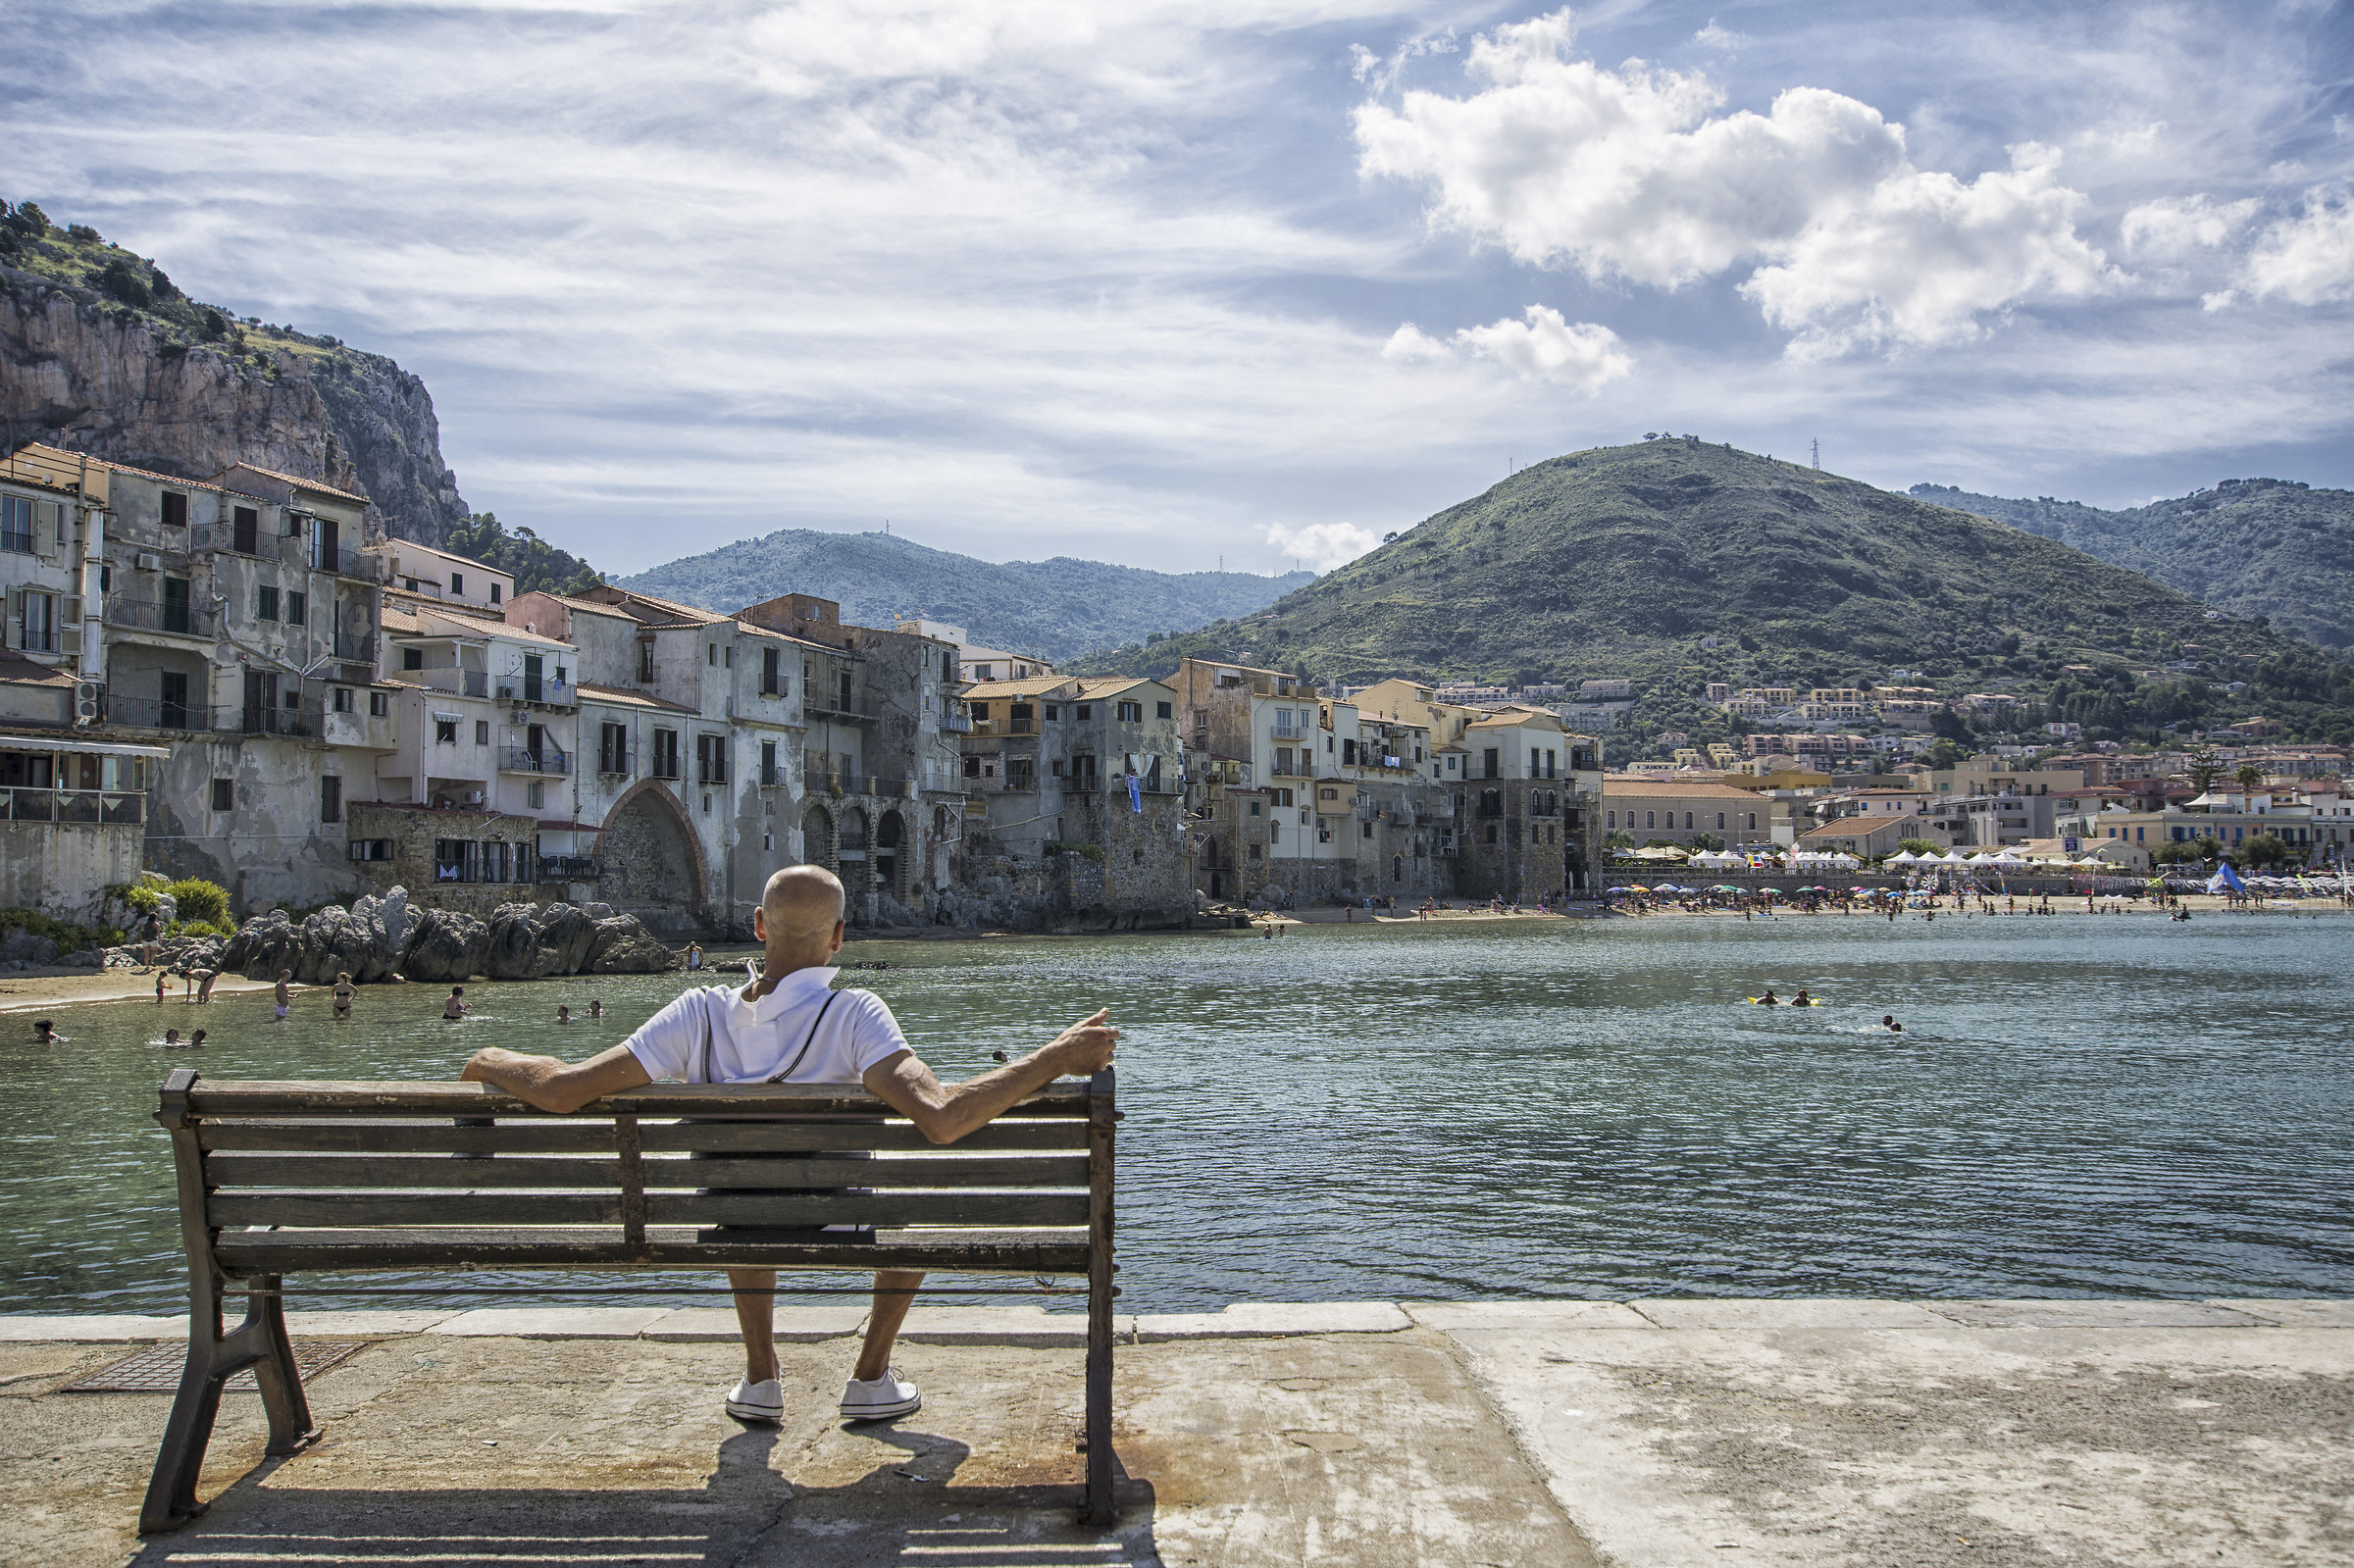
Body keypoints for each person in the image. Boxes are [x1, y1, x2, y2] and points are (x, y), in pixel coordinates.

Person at [457, 865, 1118, 1428]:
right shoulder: (855, 1014)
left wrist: (489, 1060)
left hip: (731, 1223)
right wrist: (1055, 1056)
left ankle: (761, 1378)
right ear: (838, 937)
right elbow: (943, 1117)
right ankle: (870, 1378)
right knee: (915, 1214)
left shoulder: (696, 1014)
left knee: (745, 1201)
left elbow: (562, 1089)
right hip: (841, 1222)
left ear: (758, 926)